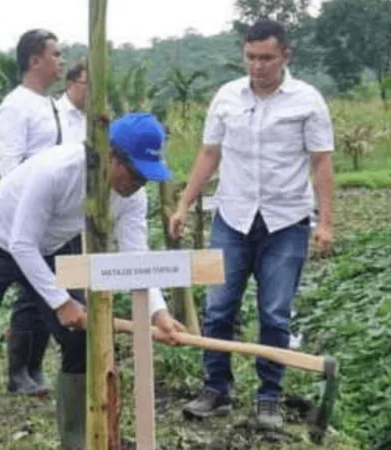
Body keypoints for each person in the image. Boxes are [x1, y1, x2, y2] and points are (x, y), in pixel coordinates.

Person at [0, 112, 187, 450]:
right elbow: (21, 243)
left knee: (78, 341)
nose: (138, 183)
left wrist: (158, 313)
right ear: (111, 155)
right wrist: (62, 302)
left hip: (51, 245)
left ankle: (75, 440)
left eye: (146, 177)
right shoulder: (58, 172)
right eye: (135, 173)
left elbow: (136, 261)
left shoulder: (132, 197)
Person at [168, 19, 335, 431]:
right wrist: (184, 203)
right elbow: (210, 154)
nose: (258, 66)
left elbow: (321, 162)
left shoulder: (307, 100)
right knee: (219, 307)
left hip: (286, 222)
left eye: (267, 58)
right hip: (231, 218)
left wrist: (326, 222)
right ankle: (217, 390)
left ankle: (268, 398)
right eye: (251, 57)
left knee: (275, 314)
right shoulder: (227, 97)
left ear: (285, 56)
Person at [0, 28, 68, 396]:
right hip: (27, 213)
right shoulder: (15, 105)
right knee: (29, 294)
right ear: (35, 60)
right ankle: (18, 371)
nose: (61, 61)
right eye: (55, 54)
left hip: (53, 214)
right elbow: (10, 166)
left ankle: (35, 366)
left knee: (46, 292)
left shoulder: (50, 104)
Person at [56, 62, 88, 144]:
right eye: (86, 84)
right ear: (70, 84)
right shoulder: (56, 113)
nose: (90, 90)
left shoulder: (88, 117)